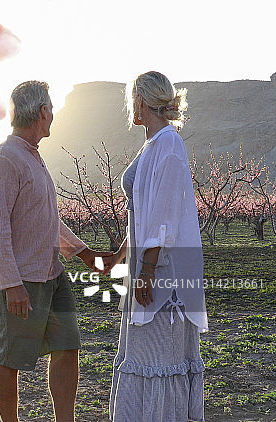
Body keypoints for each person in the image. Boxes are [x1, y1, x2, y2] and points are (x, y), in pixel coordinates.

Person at [0, 80, 109, 422]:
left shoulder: (33, 157)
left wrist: (85, 254)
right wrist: (12, 285)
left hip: (52, 275)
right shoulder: (6, 160)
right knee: (12, 357)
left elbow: (47, 220)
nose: (53, 114)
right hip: (21, 280)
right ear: (42, 112)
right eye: (50, 108)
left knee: (68, 346)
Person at [102, 71, 207, 422]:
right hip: (146, 267)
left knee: (161, 357)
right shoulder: (154, 143)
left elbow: (163, 218)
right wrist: (120, 255)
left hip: (162, 273)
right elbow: (143, 214)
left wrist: (146, 271)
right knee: (146, 357)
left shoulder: (169, 144)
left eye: (133, 99)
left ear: (141, 102)